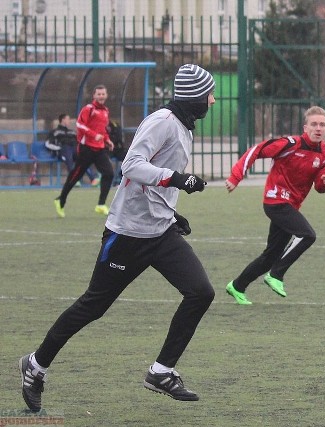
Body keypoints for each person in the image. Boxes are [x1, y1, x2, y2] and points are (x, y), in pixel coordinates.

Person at [19, 64, 216, 411]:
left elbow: (151, 182)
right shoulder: (163, 122)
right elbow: (131, 166)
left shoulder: (184, 126)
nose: (212, 101)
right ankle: (35, 366)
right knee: (93, 305)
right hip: (126, 234)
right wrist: (178, 179)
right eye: (208, 94)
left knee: (201, 292)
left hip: (160, 231)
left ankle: (161, 371)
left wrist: (171, 212)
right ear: (194, 97)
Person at [224, 106, 325, 305]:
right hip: (275, 201)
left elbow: (319, 185)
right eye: (314, 124)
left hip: (291, 206)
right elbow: (256, 151)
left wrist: (324, 183)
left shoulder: (324, 154)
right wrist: (236, 176)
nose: (318, 128)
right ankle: (276, 275)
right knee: (307, 235)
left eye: (322, 125)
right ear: (305, 127)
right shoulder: (290, 144)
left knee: (270, 255)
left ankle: (237, 286)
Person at [53, 85, 115, 218]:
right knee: (76, 175)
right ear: (94, 96)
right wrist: (93, 135)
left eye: (103, 94)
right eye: (98, 94)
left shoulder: (105, 111)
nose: (101, 96)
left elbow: (103, 130)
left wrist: (107, 140)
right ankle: (61, 199)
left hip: (99, 149)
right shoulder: (89, 109)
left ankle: (101, 204)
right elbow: (80, 125)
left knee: (109, 173)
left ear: (106, 95)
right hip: (86, 148)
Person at [45, 113, 100, 186]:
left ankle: (93, 179)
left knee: (83, 159)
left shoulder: (72, 132)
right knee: (69, 157)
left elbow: (80, 141)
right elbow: (48, 143)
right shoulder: (55, 132)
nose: (69, 121)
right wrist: (59, 148)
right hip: (64, 149)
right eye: (68, 119)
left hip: (74, 149)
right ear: (63, 120)